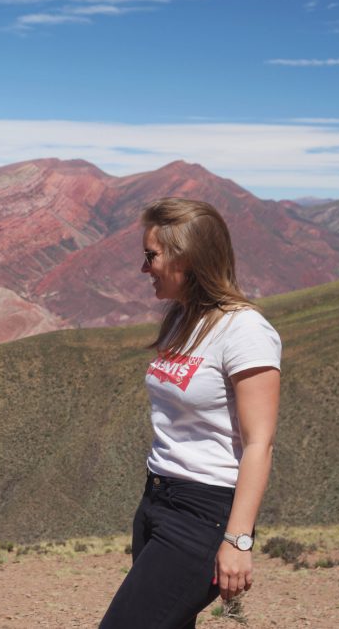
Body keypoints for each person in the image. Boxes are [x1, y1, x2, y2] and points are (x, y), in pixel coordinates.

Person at [100, 198, 282, 628]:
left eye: (151, 256)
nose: (144, 269)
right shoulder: (184, 320)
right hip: (157, 500)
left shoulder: (246, 331)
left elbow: (260, 443)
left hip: (205, 513)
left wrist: (237, 540)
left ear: (187, 257)